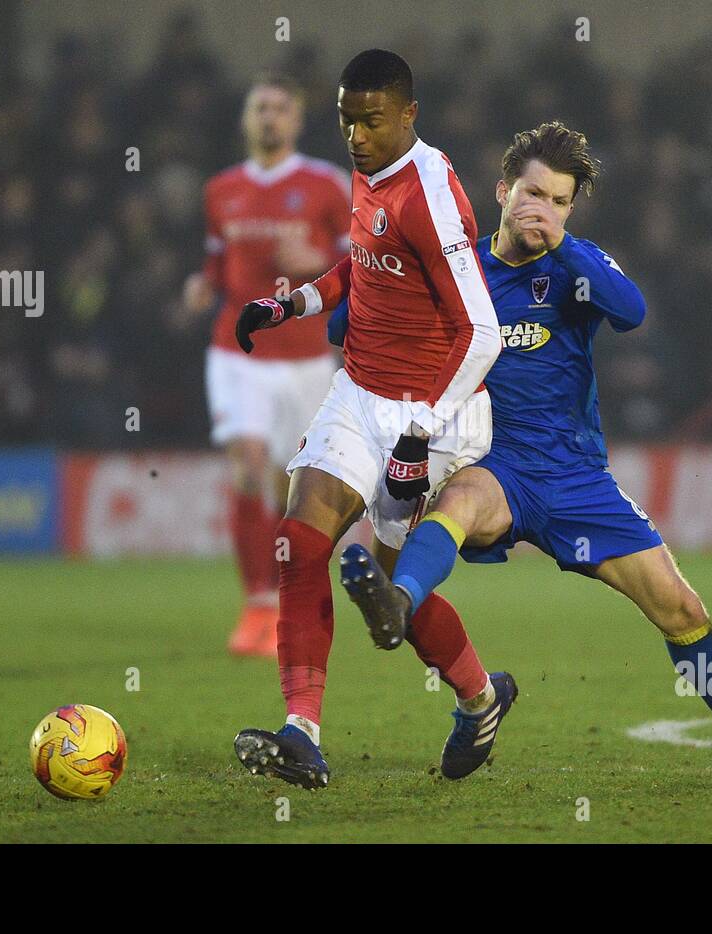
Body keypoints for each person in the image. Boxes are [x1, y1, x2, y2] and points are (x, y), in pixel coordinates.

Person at [338, 122, 712, 776]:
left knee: (681, 609)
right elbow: (348, 322)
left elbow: (631, 312)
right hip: (499, 466)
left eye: (557, 201)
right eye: (531, 193)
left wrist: (565, 246)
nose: (540, 210)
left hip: (577, 480)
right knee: (457, 503)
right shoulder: (456, 271)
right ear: (501, 191)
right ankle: (397, 603)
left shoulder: (576, 265)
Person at [230, 50, 511, 790]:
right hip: (358, 392)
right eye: (347, 119)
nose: (355, 134)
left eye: (371, 120)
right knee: (298, 543)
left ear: (409, 114)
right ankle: (302, 732)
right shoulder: (369, 168)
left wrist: (421, 434)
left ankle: (481, 698)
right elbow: (364, 263)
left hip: (430, 412)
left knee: (392, 610)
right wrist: (294, 302)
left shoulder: (431, 191)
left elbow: (482, 331)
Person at [182, 74, 350, 657]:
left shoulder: (329, 185)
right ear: (246, 118)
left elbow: (369, 261)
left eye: (280, 107)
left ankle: (288, 598)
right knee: (248, 465)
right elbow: (215, 260)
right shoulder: (221, 190)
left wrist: (319, 257)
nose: (269, 117)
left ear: (297, 119)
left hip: (306, 357)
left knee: (292, 487)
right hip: (238, 351)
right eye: (260, 107)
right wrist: (202, 286)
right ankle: (256, 604)